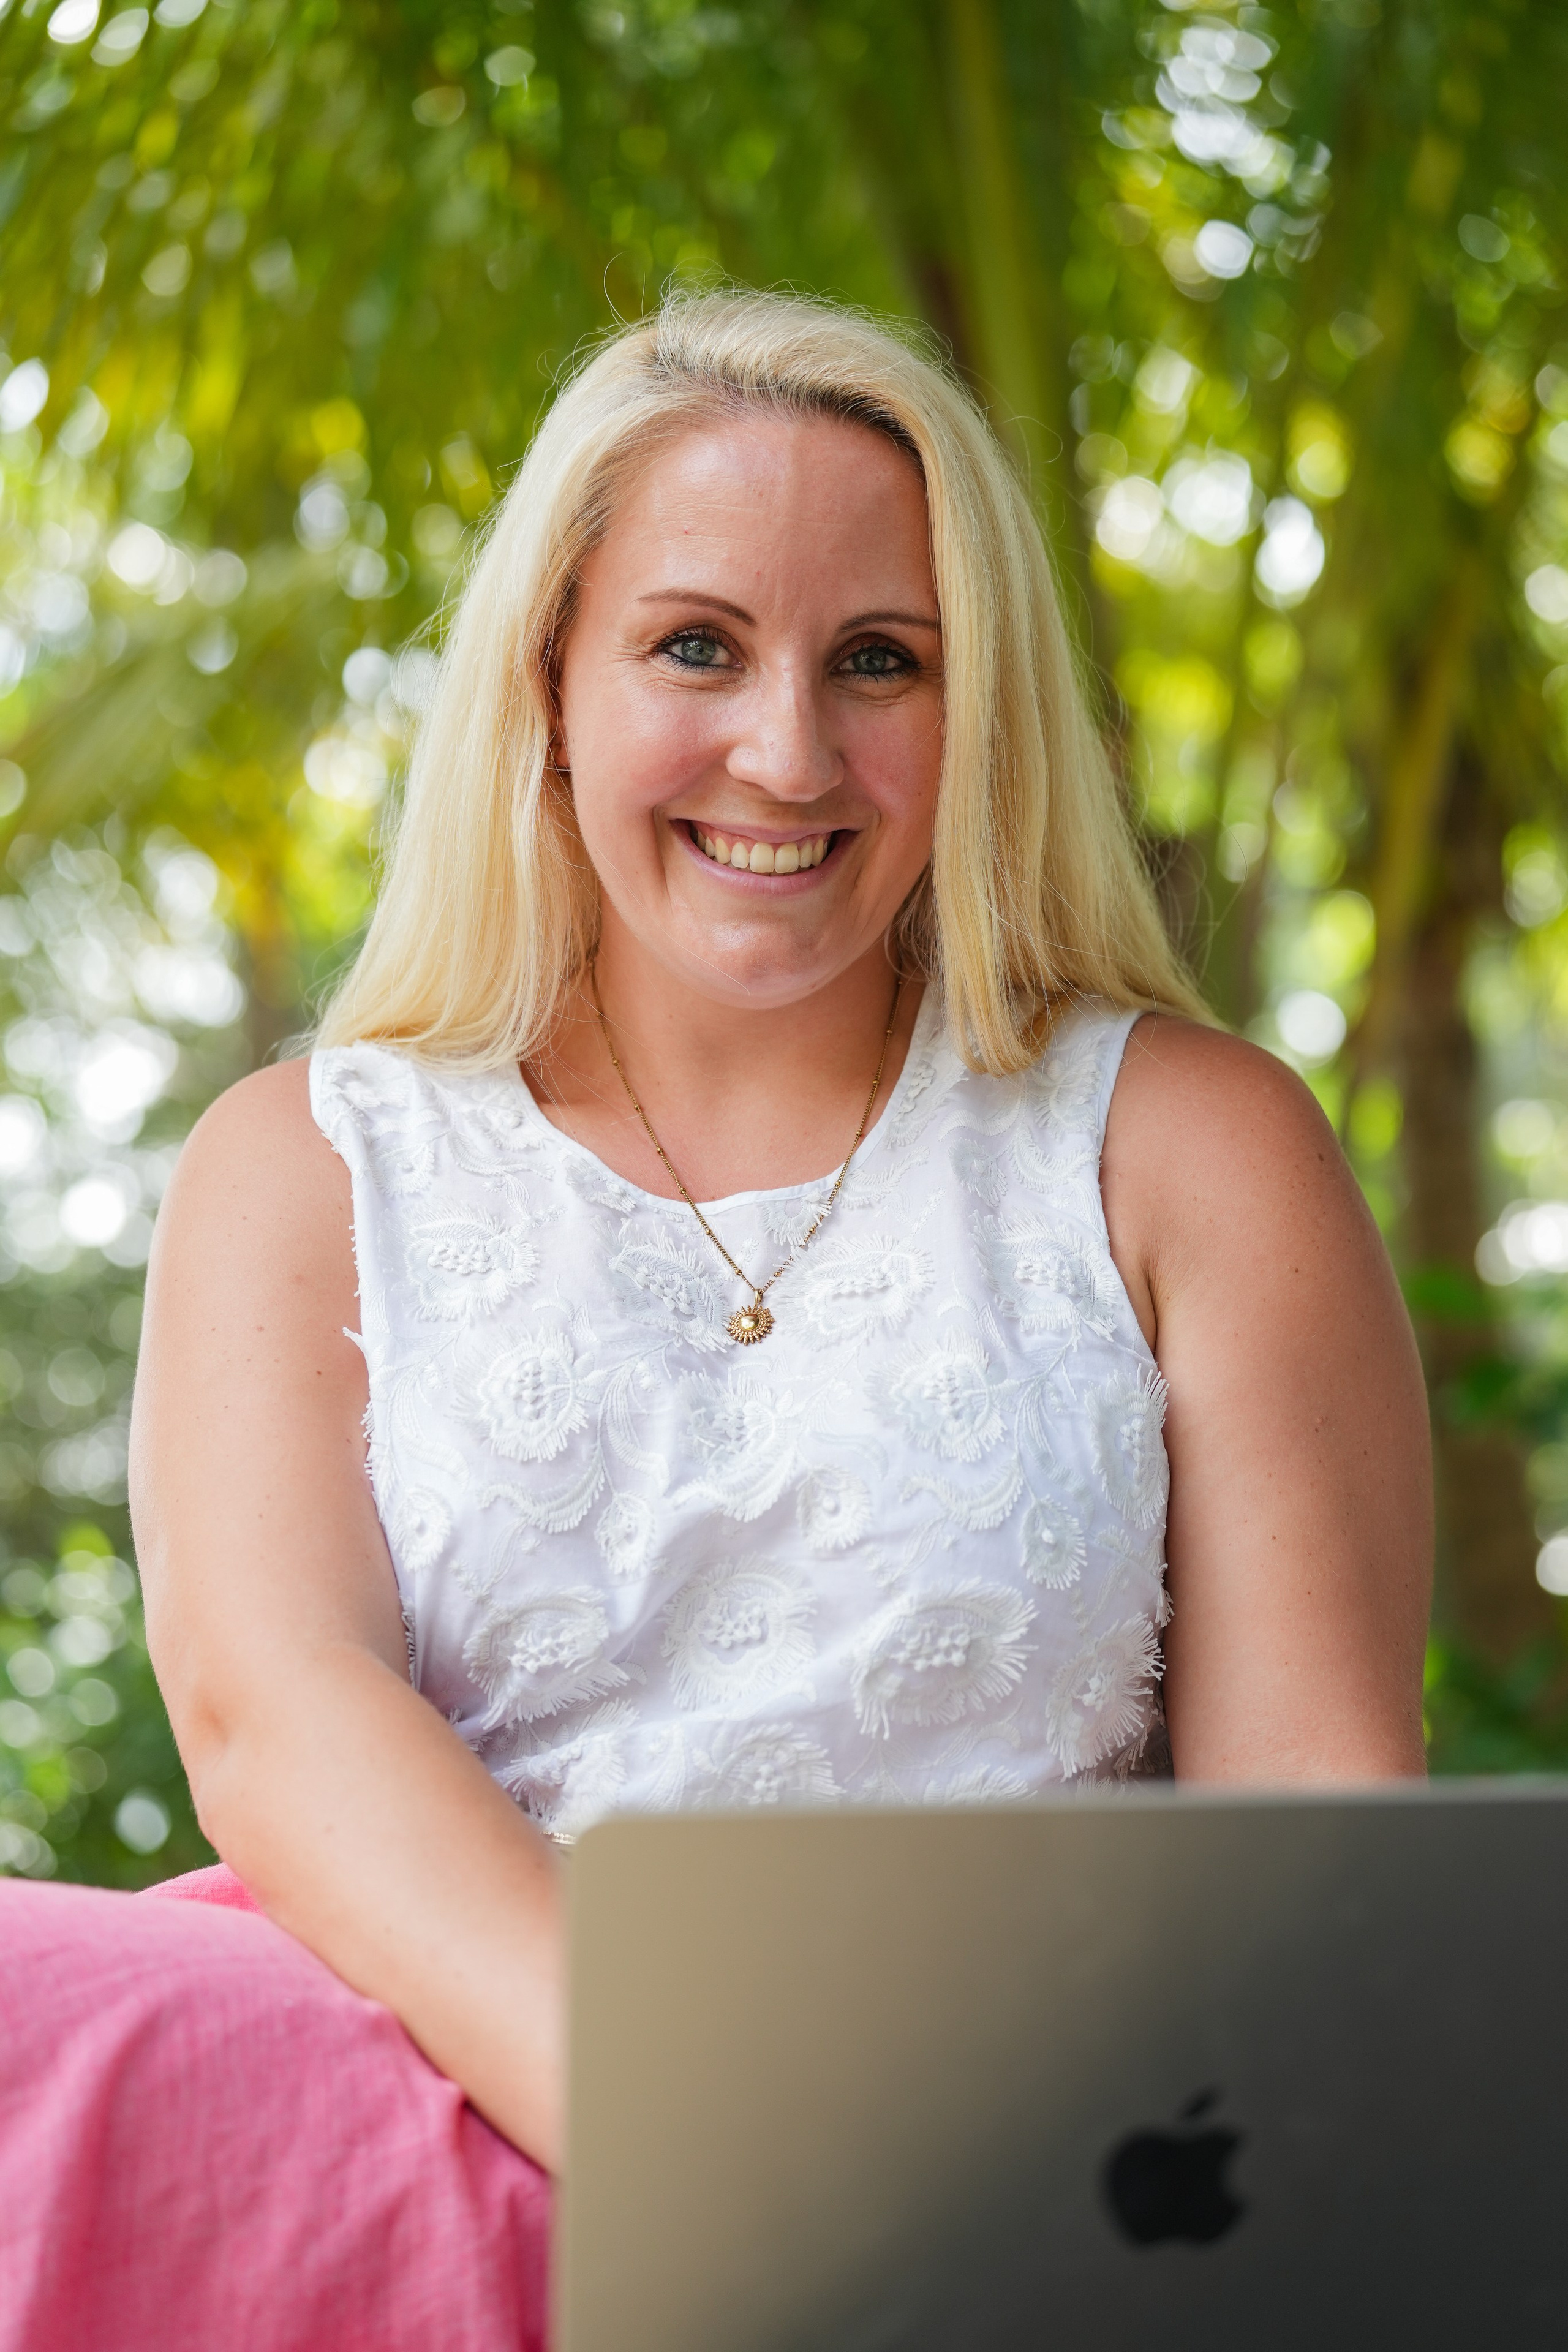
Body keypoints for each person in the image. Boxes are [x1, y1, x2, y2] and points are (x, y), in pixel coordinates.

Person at [0, 290, 1431, 2347]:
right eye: (696, 645)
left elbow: (1316, 1830)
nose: (790, 752)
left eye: (882, 661)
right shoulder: (305, 1163)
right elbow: (274, 1720)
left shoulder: (1187, 1149)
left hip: (1017, 2138)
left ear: (980, 711)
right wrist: (727, 2156)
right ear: (550, 685)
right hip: (435, 2075)